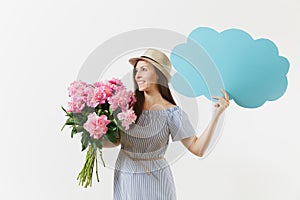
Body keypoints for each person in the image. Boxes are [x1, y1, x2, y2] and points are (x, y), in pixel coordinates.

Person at [102, 48, 230, 200]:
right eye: (136, 71)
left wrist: (216, 116)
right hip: (126, 175)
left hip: (156, 180)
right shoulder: (127, 106)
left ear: (158, 74)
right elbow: (115, 141)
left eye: (144, 69)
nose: (138, 75)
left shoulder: (173, 114)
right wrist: (92, 134)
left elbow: (198, 149)